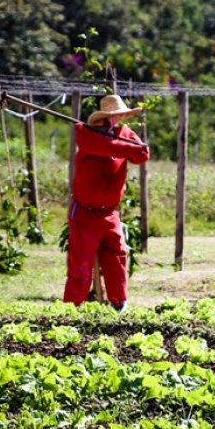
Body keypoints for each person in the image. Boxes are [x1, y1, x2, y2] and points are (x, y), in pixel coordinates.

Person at [63, 94, 150, 311]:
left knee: (117, 257)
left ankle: (118, 306)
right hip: (85, 214)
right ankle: (71, 312)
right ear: (105, 116)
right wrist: (129, 147)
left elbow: (141, 155)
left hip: (110, 214)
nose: (119, 117)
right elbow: (110, 147)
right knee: (80, 267)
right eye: (114, 114)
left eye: (121, 114)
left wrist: (132, 146)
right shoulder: (86, 134)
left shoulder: (124, 134)